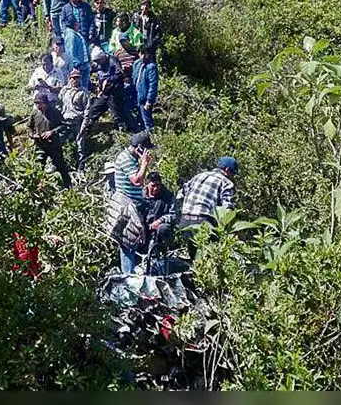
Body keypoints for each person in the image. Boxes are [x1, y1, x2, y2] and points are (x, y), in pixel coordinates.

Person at [160, 157, 238, 260]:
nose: (232, 177)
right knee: (210, 258)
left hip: (185, 222)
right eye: (233, 173)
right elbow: (227, 208)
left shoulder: (199, 176)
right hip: (203, 222)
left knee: (195, 259)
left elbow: (179, 195)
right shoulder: (226, 183)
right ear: (227, 170)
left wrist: (180, 215)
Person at [77, 50, 132, 170]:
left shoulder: (113, 61)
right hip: (104, 94)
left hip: (114, 93)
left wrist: (108, 80)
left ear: (103, 57)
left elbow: (120, 75)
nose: (98, 63)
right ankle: (87, 131)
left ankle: (122, 137)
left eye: (98, 60)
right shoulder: (98, 63)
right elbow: (93, 69)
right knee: (93, 111)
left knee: (118, 116)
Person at [110, 132, 155, 273]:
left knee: (134, 241)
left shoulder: (133, 159)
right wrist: (144, 163)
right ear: (139, 148)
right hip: (126, 205)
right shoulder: (126, 159)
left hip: (135, 203)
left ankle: (131, 272)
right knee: (127, 242)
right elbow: (136, 181)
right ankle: (127, 276)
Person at [28, 92, 72, 189]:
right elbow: (30, 127)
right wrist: (32, 135)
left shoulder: (55, 112)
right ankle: (38, 189)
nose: (38, 105)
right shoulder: (35, 113)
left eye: (40, 103)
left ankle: (68, 187)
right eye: (36, 103)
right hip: (40, 145)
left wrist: (51, 132)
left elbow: (64, 125)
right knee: (38, 167)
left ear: (46, 103)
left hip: (54, 145)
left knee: (61, 166)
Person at [132, 44, 159, 131]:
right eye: (141, 53)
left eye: (145, 54)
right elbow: (134, 78)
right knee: (139, 119)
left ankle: (151, 135)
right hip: (136, 95)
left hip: (145, 98)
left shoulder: (151, 67)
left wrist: (149, 100)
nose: (143, 56)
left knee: (147, 119)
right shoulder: (137, 64)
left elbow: (153, 85)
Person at [59, 68, 89, 145]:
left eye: (77, 78)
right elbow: (59, 104)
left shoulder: (83, 92)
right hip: (65, 121)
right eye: (73, 78)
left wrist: (84, 125)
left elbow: (87, 110)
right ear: (69, 79)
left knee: (80, 144)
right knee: (60, 142)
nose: (75, 80)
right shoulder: (64, 90)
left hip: (77, 121)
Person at [62, 15, 91, 92]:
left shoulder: (77, 33)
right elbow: (70, 52)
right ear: (75, 23)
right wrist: (75, 65)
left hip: (84, 63)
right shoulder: (70, 35)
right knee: (79, 88)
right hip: (78, 66)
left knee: (85, 88)